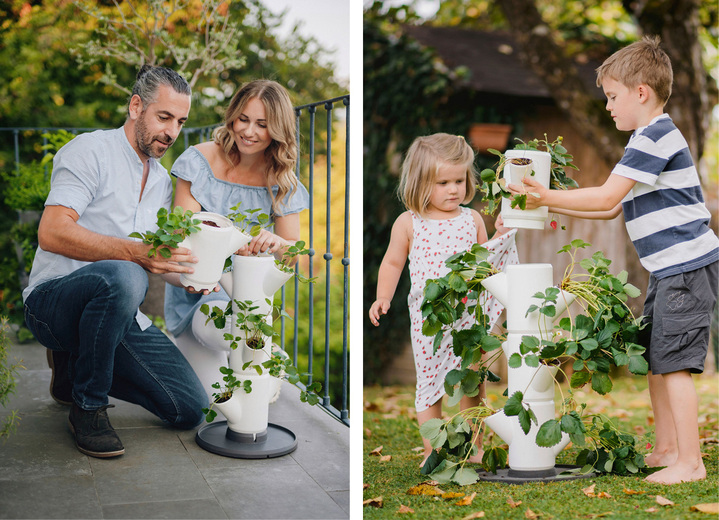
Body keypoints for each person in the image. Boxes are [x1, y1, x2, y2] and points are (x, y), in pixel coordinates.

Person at [508, 36, 719, 485]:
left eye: (611, 96)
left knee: (676, 362)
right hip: (669, 267)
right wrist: (549, 206)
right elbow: (609, 207)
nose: (607, 107)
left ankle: (690, 461)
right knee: (658, 358)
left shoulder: (657, 135)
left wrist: (545, 194)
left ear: (641, 91)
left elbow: (606, 195)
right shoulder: (645, 139)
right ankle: (666, 449)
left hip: (687, 266)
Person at [22, 65, 208, 458]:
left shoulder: (159, 181)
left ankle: (74, 368)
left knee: (188, 408)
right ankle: (88, 407)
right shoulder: (89, 152)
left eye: (180, 121)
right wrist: (136, 254)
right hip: (52, 303)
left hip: (115, 315)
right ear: (136, 106)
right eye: (164, 117)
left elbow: (154, 258)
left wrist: (190, 276)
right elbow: (52, 232)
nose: (172, 132)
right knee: (126, 274)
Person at [368, 133, 517, 466]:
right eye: (443, 182)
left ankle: (473, 446)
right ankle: (432, 449)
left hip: (468, 317)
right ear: (421, 183)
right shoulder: (409, 222)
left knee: (471, 378)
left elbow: (486, 261)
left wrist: (501, 235)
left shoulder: (472, 219)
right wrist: (382, 297)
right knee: (429, 381)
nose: (454, 189)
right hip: (430, 318)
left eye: (459, 180)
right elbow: (392, 262)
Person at [164, 79, 309, 396]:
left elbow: (291, 256)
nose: (249, 132)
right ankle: (259, 350)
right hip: (197, 297)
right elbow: (176, 241)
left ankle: (262, 352)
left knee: (250, 395)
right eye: (243, 119)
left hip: (247, 299)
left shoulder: (282, 181)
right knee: (214, 399)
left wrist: (276, 244)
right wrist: (192, 276)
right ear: (232, 117)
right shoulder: (199, 162)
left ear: (278, 129)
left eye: (263, 124)